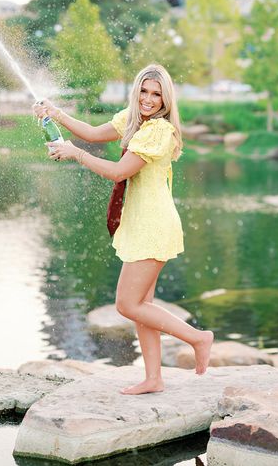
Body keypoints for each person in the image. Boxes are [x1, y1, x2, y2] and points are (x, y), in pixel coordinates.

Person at [33, 64, 214, 395]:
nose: (148, 99)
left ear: (166, 99)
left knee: (127, 305)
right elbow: (90, 132)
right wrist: (56, 114)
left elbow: (119, 172)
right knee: (144, 305)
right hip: (141, 222)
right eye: (144, 91)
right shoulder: (134, 120)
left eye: (156, 94)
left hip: (154, 224)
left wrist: (76, 155)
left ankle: (198, 338)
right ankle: (153, 378)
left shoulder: (159, 131)